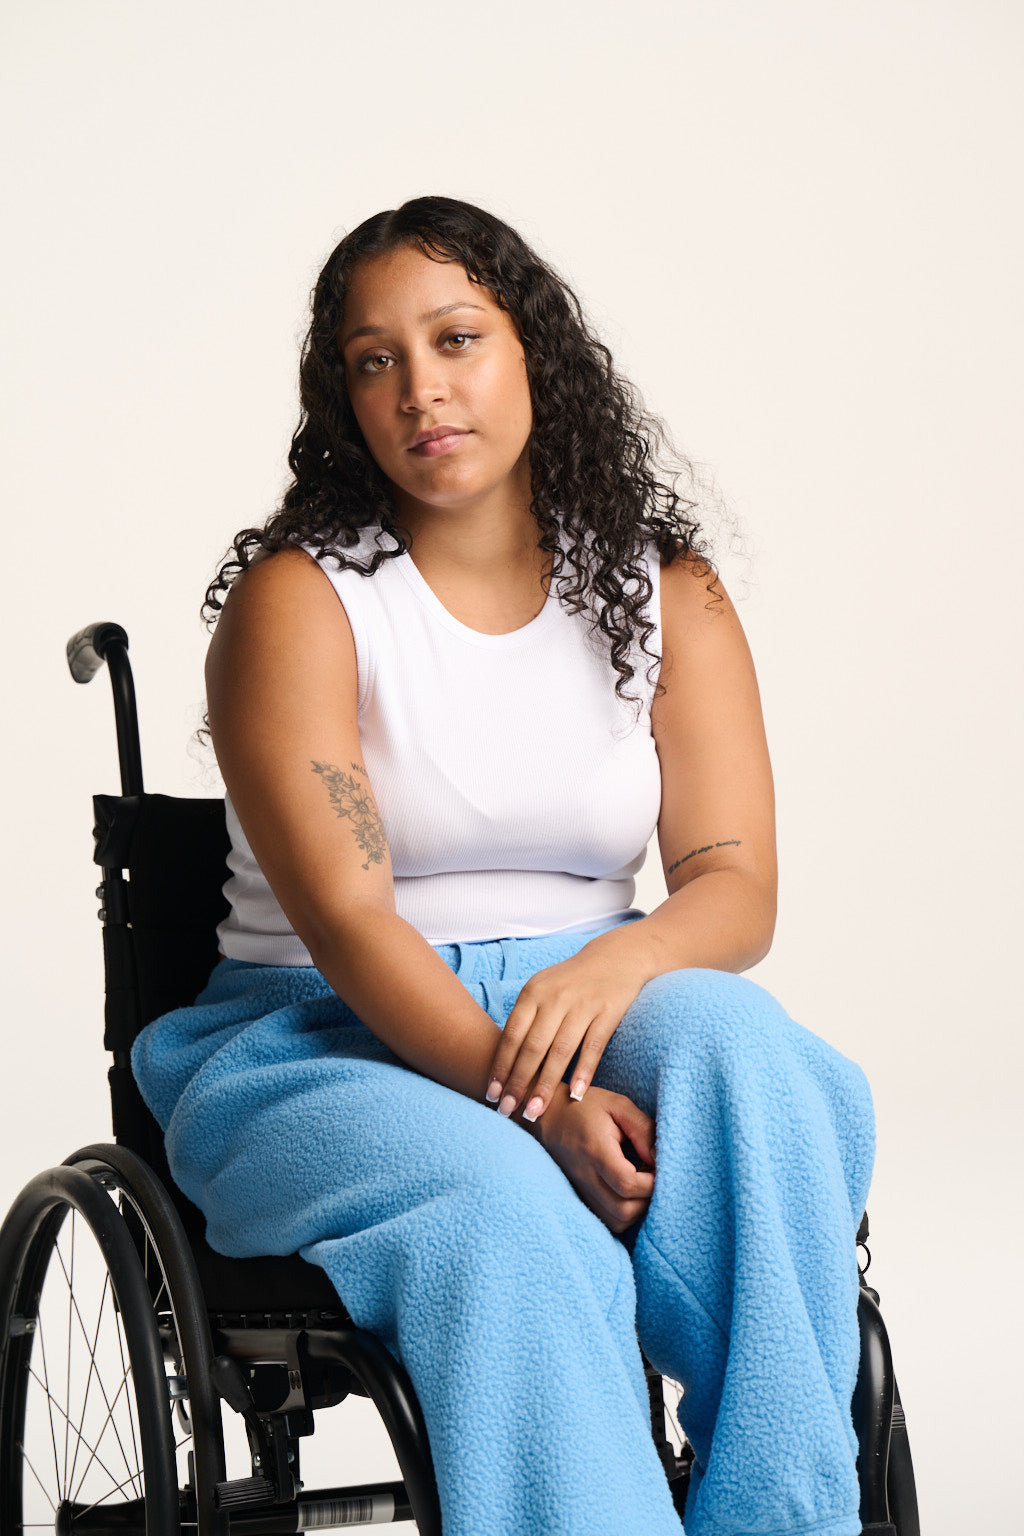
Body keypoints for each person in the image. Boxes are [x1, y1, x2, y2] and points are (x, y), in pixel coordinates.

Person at [131, 195, 876, 1536]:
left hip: (587, 992)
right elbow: (350, 922)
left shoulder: (665, 594)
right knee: (505, 1207)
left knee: (751, 1061)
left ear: (536, 349)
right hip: (322, 1028)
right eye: (375, 360)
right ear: (346, 399)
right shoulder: (305, 600)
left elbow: (735, 886)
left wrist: (616, 967)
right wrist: (534, 1102)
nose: (421, 388)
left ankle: (784, 1515)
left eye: (456, 339)